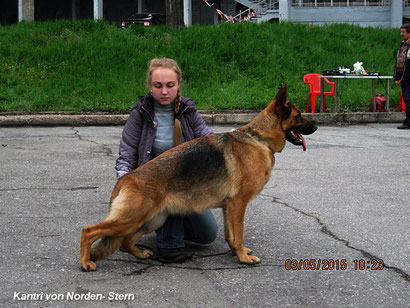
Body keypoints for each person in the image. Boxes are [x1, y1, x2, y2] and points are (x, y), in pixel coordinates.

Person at [115, 58, 218, 263]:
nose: (164, 91)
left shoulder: (188, 111)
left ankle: (164, 225)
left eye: (170, 86)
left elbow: (210, 140)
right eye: (158, 86)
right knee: (169, 191)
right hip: (149, 185)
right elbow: (125, 158)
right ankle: (169, 245)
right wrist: (127, 192)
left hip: (185, 181)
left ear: (178, 85)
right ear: (150, 87)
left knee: (208, 234)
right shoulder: (139, 114)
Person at [394, 23, 410, 129]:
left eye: (403, 32)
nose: (401, 34)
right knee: (406, 98)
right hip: (404, 77)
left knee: (408, 98)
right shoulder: (403, 44)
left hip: (409, 77)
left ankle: (408, 122)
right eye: (401, 32)